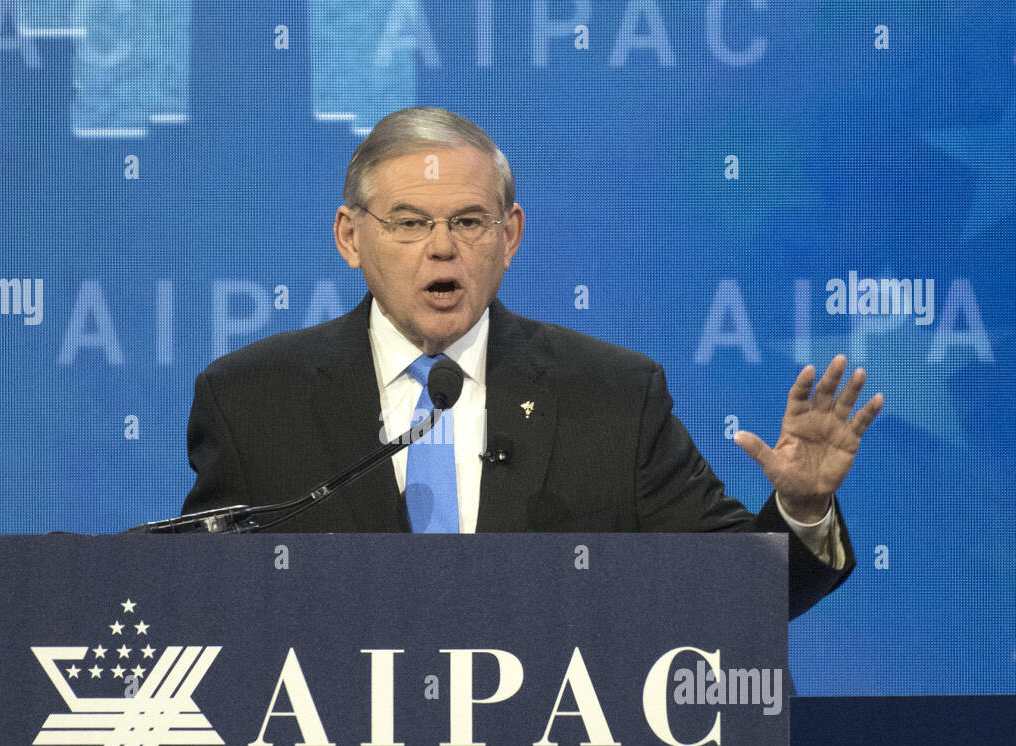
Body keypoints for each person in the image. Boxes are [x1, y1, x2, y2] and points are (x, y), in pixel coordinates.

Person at [182, 107, 883, 619]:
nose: (441, 247)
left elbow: (739, 598)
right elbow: (202, 610)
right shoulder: (251, 399)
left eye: (467, 221)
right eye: (409, 222)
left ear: (509, 235)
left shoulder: (612, 396)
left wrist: (801, 505)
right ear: (350, 237)